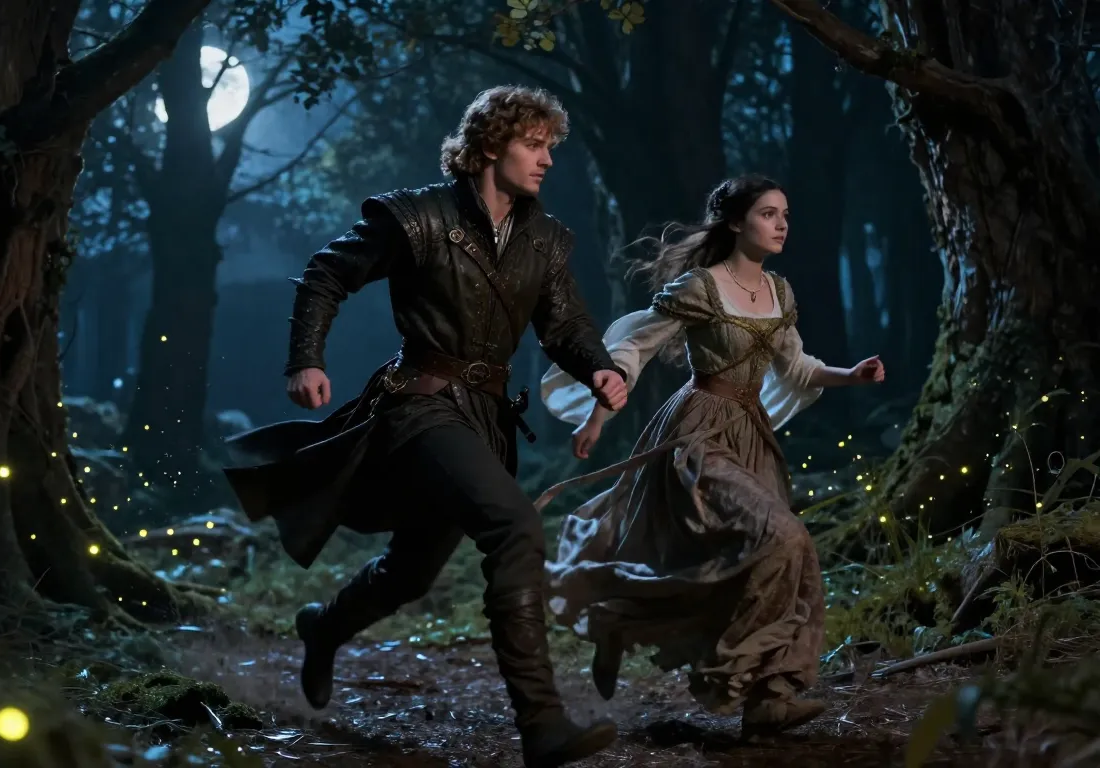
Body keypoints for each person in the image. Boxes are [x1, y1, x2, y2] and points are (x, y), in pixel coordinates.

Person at [222, 86, 626, 767]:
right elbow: (326, 273)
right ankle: (543, 725)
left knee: (410, 572)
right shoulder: (418, 217)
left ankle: (324, 628)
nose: (547, 159)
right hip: (421, 406)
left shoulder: (545, 239)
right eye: (534, 144)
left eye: (550, 146)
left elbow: (565, 324)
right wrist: (306, 358)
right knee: (514, 528)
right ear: (490, 145)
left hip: (488, 421)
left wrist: (600, 369)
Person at [535, 174, 885, 737]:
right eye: (768, 214)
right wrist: (596, 415)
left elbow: (796, 367)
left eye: (785, 215)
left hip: (753, 436)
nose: (781, 225)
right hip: (699, 436)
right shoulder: (701, 287)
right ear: (735, 222)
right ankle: (673, 646)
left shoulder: (779, 293)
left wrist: (852, 374)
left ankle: (769, 697)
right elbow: (635, 347)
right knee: (785, 537)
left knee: (759, 560)